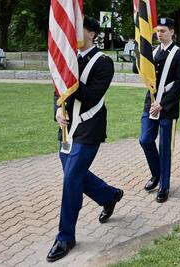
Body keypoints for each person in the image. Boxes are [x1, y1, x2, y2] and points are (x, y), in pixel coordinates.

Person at [48, 16, 123, 262]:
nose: (72, 33)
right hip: (68, 129)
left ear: (91, 34)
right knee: (75, 176)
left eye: (78, 29)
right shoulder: (68, 59)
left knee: (71, 179)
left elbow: (90, 96)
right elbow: (58, 90)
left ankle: (65, 236)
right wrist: (57, 110)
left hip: (89, 128)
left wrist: (70, 77)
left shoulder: (103, 62)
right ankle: (108, 195)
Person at [137, 17, 180, 203]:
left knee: (165, 148)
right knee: (145, 140)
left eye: (163, 31)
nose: (159, 34)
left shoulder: (179, 54)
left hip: (167, 107)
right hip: (150, 104)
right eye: (157, 31)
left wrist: (163, 104)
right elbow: (140, 72)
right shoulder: (151, 52)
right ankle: (156, 174)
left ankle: (164, 186)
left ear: (172, 32)